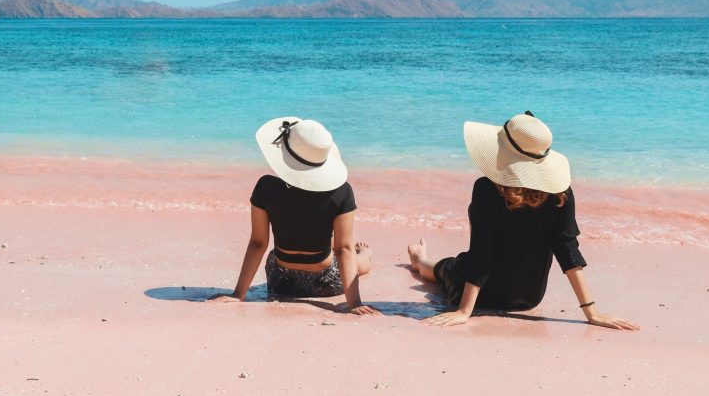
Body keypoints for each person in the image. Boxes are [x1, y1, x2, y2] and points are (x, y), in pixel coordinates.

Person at [407, 111, 639, 330]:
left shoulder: (485, 189)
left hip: (479, 294)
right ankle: (422, 261)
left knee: (452, 266)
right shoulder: (561, 194)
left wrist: (464, 311)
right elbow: (567, 250)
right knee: (460, 264)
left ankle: (420, 261)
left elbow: (482, 254)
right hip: (527, 298)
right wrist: (591, 313)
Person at [210, 117, 379, 315]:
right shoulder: (342, 192)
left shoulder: (265, 187)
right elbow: (343, 249)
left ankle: (361, 256)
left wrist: (238, 294)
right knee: (353, 258)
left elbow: (258, 242)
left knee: (283, 248)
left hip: (281, 282)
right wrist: (354, 303)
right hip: (327, 284)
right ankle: (366, 256)